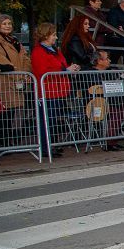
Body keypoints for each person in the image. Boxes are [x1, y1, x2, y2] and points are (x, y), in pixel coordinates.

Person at [30, 22, 80, 157]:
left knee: (53, 120)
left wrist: (70, 68)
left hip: (58, 90)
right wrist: (65, 69)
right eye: (53, 35)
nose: (55, 38)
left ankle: (51, 144)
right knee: (47, 120)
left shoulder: (54, 50)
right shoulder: (38, 51)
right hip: (48, 91)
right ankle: (46, 147)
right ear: (45, 35)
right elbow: (42, 70)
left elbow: (60, 65)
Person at [0, 14, 33, 152]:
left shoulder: (15, 41)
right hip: (6, 81)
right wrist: (14, 70)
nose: (8, 26)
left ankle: (10, 143)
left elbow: (25, 57)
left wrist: (26, 72)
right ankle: (2, 145)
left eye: (9, 23)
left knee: (17, 112)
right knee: (5, 114)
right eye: (4, 23)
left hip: (20, 79)